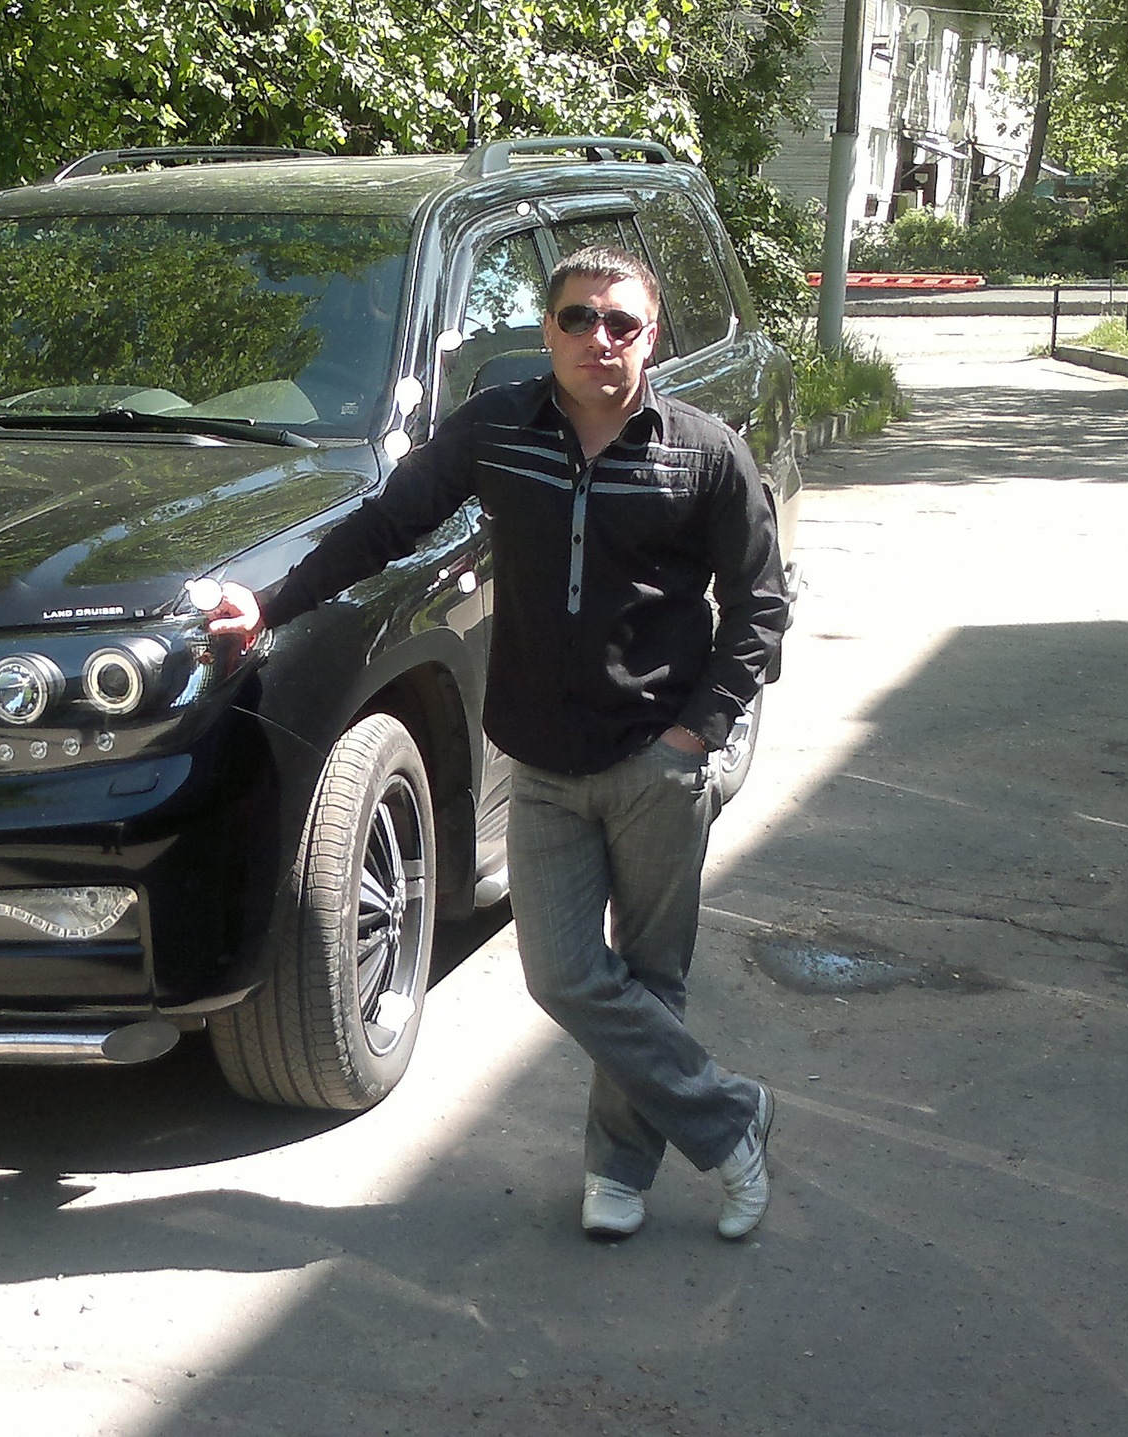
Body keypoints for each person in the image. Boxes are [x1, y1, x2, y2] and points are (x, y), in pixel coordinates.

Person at [206, 245, 790, 1241]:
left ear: (651, 337)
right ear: (547, 329)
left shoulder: (702, 453)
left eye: (621, 322)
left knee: (651, 979)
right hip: (544, 765)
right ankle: (731, 1116)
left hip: (658, 763)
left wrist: (697, 733)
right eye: (577, 318)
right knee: (564, 975)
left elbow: (760, 607)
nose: (598, 338)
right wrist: (270, 604)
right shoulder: (498, 429)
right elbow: (386, 526)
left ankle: (619, 1171)